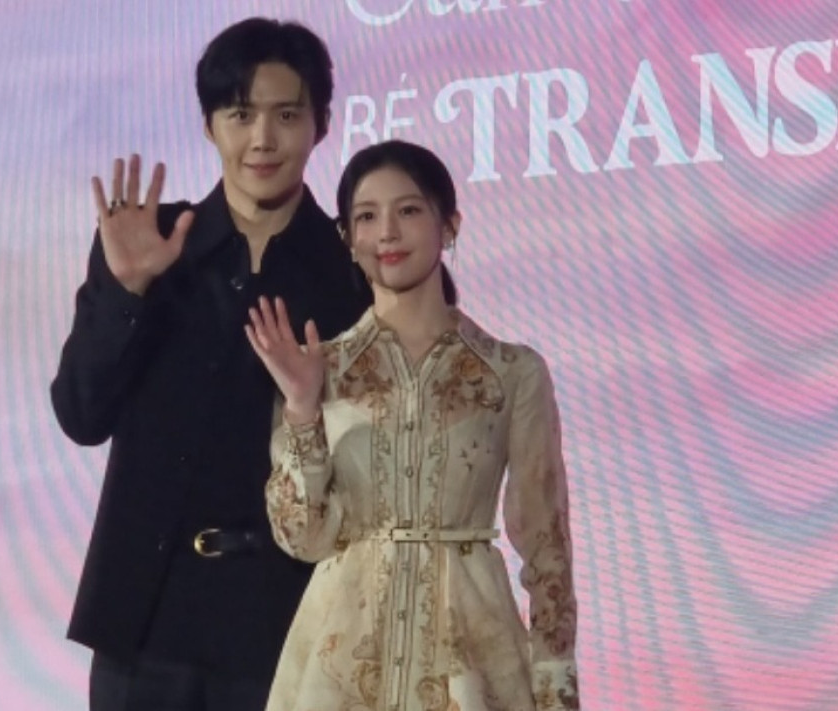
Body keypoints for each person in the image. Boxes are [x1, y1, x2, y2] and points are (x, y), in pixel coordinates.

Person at [49, 17, 370, 710]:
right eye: (240, 114)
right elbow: (80, 414)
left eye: (287, 115)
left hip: (288, 625)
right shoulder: (150, 241)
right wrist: (128, 290)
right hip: (146, 622)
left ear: (320, 124)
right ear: (208, 125)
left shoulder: (350, 272)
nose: (262, 139)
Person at [244, 139, 581, 711]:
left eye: (408, 210)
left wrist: (555, 687)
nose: (387, 233)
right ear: (348, 239)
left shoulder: (511, 372)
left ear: (449, 225)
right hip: (340, 663)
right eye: (366, 217)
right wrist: (301, 404)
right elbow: (303, 539)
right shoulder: (318, 368)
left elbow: (547, 546)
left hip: (471, 660)